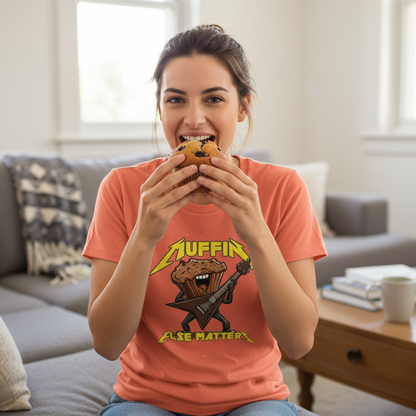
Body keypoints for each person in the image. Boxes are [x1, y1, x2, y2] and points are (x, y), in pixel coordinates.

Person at [83, 24, 327, 416]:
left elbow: (299, 343)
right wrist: (145, 235)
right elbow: (107, 344)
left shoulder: (283, 187)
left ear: (242, 106)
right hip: (145, 401)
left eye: (214, 99)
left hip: (255, 400)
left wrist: (255, 231)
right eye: (176, 100)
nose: (194, 120)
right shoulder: (122, 189)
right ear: (160, 108)